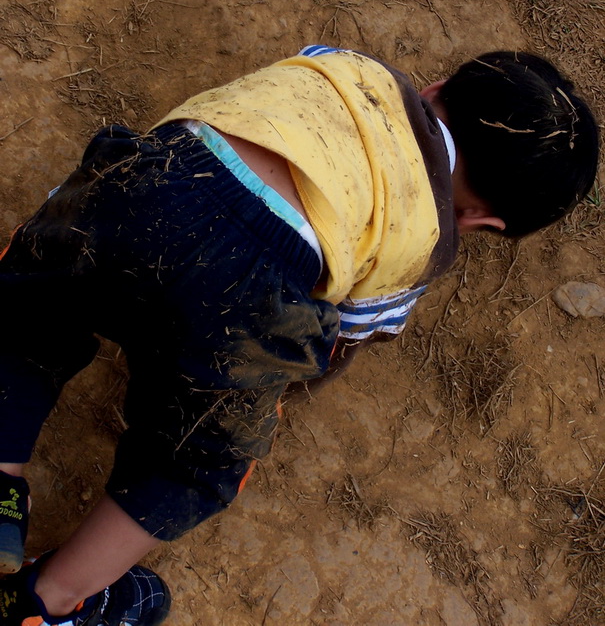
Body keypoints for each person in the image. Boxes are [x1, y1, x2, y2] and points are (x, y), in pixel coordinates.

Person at [0, 46, 598, 625]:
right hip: (250, 289)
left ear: (436, 89)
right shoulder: (427, 242)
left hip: (154, 181)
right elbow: (340, 339)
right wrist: (272, 382)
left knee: (29, 310)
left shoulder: (343, 64)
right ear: (479, 219)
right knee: (197, 461)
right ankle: (51, 600)